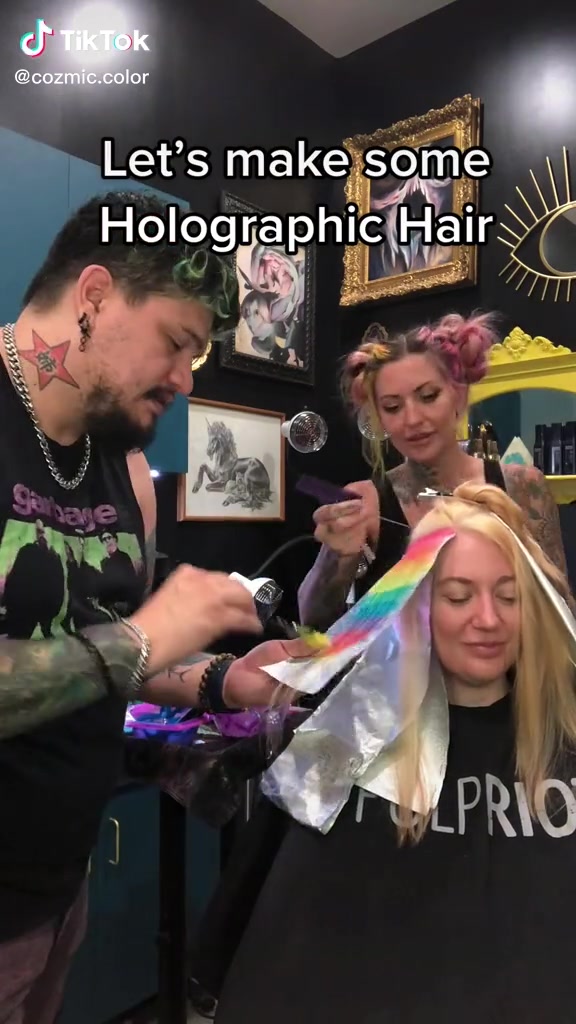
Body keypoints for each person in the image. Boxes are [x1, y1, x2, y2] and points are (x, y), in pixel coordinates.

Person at [0, 190, 310, 1024]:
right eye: (177, 343)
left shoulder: (127, 470)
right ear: (94, 296)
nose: (184, 379)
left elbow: (121, 660)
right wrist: (140, 638)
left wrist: (222, 680)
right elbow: (127, 645)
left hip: (58, 894)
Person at [212, 481, 576, 1023]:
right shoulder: (350, 744)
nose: (488, 619)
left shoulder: (563, 740)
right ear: (420, 607)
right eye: (459, 596)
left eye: (508, 596)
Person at [298, 314, 570, 631]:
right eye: (392, 407)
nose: (412, 419)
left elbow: (561, 611)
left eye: (428, 396)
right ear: (379, 418)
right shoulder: (366, 503)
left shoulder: (523, 486)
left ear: (459, 395)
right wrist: (336, 558)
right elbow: (313, 622)